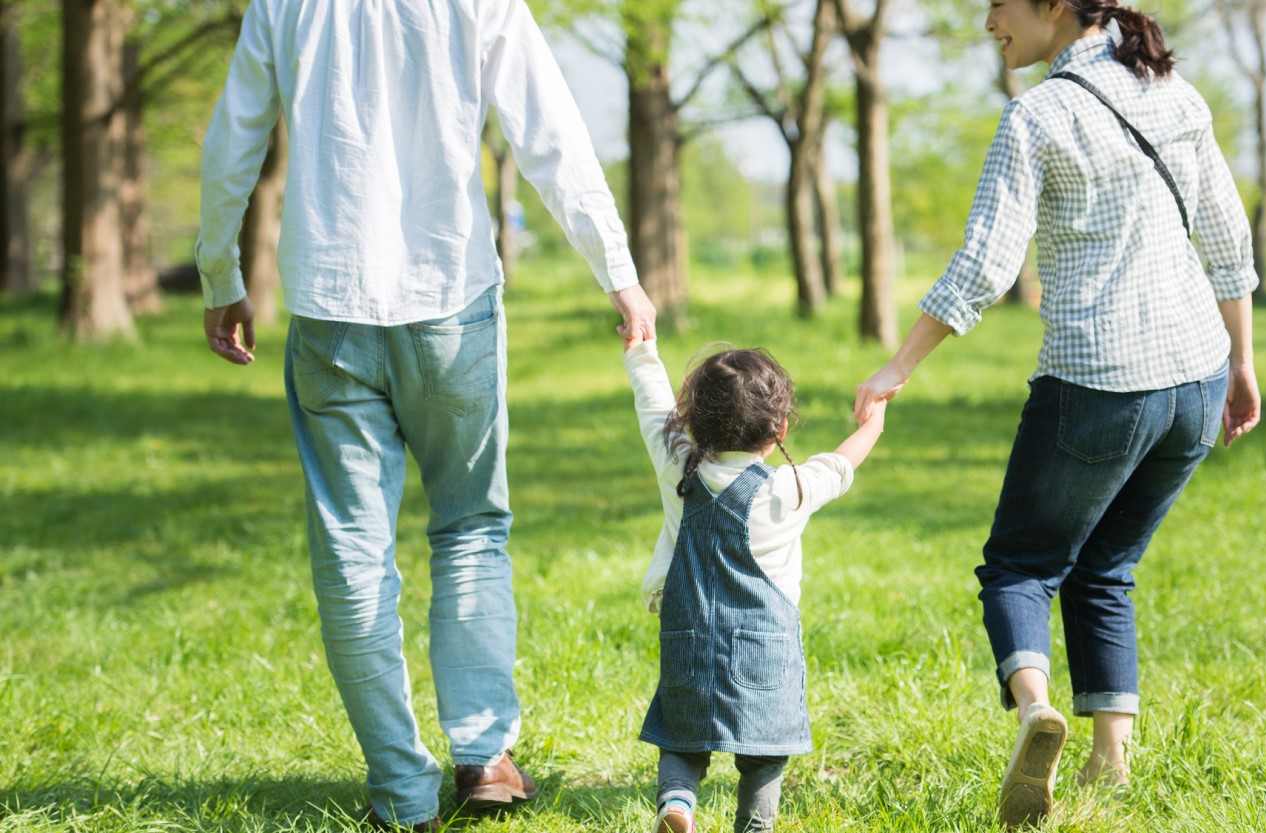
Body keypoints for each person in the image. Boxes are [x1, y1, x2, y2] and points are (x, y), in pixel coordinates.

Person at [195, 1, 656, 830]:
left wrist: (219, 271)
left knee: (350, 552)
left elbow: (234, 137)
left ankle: (401, 789)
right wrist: (615, 270)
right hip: (451, 298)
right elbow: (549, 130)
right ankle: (483, 756)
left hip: (329, 303)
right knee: (470, 526)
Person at [853, 0, 1261, 827]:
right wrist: (1243, 362)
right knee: (1107, 566)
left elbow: (984, 261)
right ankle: (1110, 759)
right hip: (1195, 382)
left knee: (1021, 565)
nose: (985, 23)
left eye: (997, 5)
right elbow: (1226, 233)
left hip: (1099, 381)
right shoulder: (1174, 91)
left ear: (1050, 7)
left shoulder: (1035, 115)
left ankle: (1037, 708)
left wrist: (899, 364)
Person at [621, 329, 886, 833]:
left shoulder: (679, 467)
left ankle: (677, 805)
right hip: (765, 650)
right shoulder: (790, 488)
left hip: (688, 638)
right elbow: (841, 465)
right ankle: (755, 823)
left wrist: (640, 349)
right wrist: (874, 421)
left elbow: (652, 405)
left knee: (681, 738)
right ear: (780, 428)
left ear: (693, 422)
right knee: (765, 752)